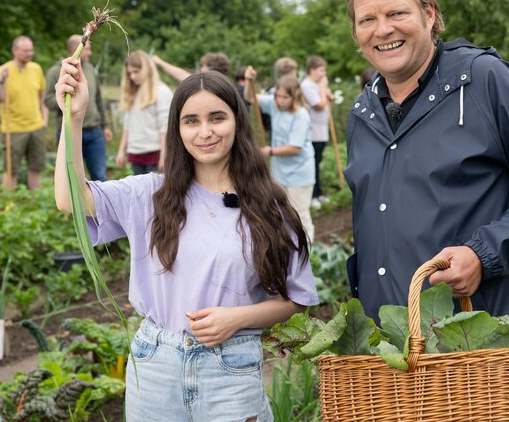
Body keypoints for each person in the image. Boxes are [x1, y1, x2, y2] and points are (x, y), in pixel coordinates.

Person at [54, 61, 318, 422]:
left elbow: (296, 298)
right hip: (155, 365)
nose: (204, 132)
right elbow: (70, 198)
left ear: (237, 121)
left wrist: (238, 318)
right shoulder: (150, 194)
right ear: (177, 129)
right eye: (191, 121)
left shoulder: (267, 207)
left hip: (230, 367)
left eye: (217, 117)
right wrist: (75, 116)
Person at [343, 0, 509, 326]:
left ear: (429, 14)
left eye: (397, 13)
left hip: (478, 337)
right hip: (393, 346)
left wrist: (483, 255)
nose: (383, 30)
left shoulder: (483, 81)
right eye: (367, 20)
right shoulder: (364, 112)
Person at [244, 71, 315, 244]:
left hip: (299, 172)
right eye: (278, 96)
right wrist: (249, 80)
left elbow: (294, 147)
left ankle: (307, 249)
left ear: (295, 96)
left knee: (300, 212)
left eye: (285, 97)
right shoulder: (275, 106)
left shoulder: (301, 115)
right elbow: (250, 97)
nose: (280, 100)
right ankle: (288, 246)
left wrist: (270, 151)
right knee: (281, 210)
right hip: (279, 170)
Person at [44, 35, 112, 181]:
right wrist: (66, 99)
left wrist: (105, 126)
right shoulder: (56, 71)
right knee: (71, 179)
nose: (90, 53)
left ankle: (98, 204)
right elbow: (48, 100)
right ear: (75, 49)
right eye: (87, 49)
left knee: (100, 176)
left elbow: (98, 99)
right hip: (69, 130)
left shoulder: (90, 70)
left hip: (94, 131)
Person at [0, 35, 48, 190]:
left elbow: (42, 97)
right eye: (25, 50)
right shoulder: (3, 70)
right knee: (11, 170)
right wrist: (2, 81)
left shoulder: (36, 69)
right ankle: (10, 203)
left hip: (36, 127)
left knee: (36, 167)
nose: (29, 53)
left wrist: (44, 120)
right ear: (14, 51)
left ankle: (35, 202)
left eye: (31, 50)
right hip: (13, 129)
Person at [116, 51, 172, 174]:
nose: (132, 76)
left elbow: (165, 128)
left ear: (146, 69)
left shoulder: (161, 92)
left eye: (136, 72)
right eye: (130, 73)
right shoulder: (133, 93)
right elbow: (127, 125)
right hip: (135, 153)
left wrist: (164, 157)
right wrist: (121, 151)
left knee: (155, 192)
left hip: (155, 154)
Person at [300, 56, 332, 207]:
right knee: (313, 163)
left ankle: (318, 193)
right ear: (312, 70)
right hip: (313, 132)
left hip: (321, 131)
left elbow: (329, 97)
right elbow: (319, 104)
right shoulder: (307, 85)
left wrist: (324, 88)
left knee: (317, 162)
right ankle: (312, 196)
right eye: (321, 70)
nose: (323, 74)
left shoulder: (316, 84)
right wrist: (324, 87)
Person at [152, 52, 232, 82]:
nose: (201, 69)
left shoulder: (208, 83)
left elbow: (182, 75)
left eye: (203, 65)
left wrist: (160, 62)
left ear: (211, 67)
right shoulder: (226, 85)